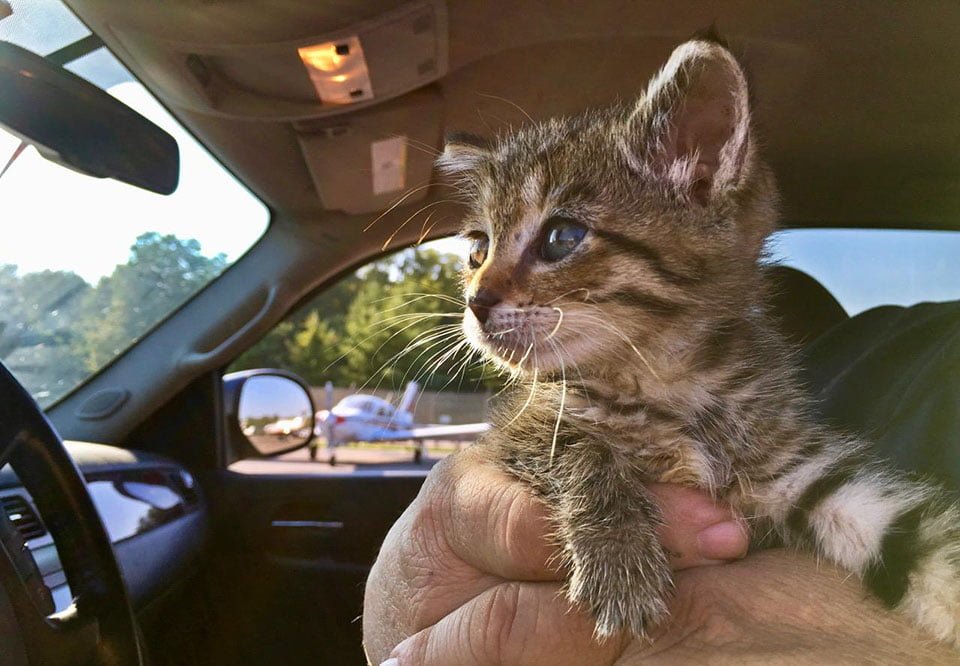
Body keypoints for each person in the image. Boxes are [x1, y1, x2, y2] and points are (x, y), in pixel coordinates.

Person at [363, 300, 960, 664]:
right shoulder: (859, 353)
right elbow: (518, 456)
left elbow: (875, 526)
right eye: (477, 248)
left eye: (561, 239)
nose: (479, 292)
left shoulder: (763, 397)